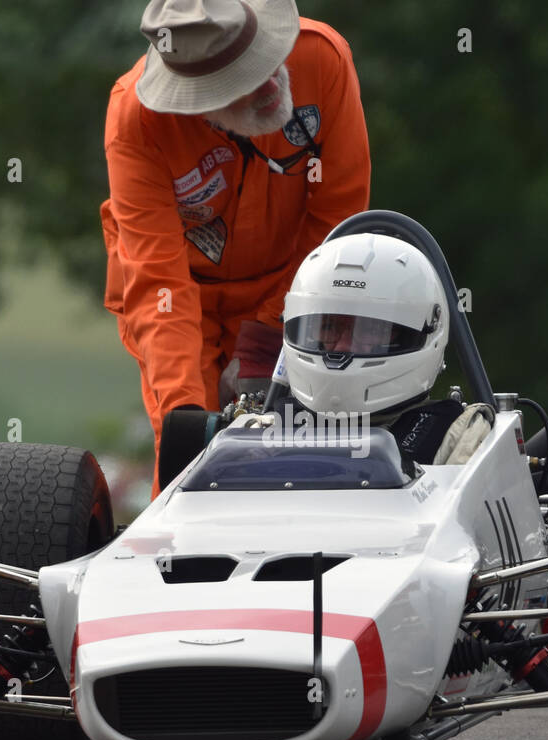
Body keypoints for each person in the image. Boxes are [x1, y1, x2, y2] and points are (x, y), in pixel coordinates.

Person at [101, 0, 371, 488]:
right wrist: (186, 418)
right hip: (185, 305)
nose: (269, 85)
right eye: (240, 83)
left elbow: (336, 220)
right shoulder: (135, 123)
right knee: (192, 461)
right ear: (194, 103)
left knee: (313, 443)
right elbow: (158, 283)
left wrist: (268, 332)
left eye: (264, 61)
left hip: (301, 281)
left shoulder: (323, 58)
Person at [280, 232, 492, 466]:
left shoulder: (460, 443)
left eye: (370, 330)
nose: (341, 347)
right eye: (328, 327)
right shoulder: (258, 433)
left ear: (426, 331)